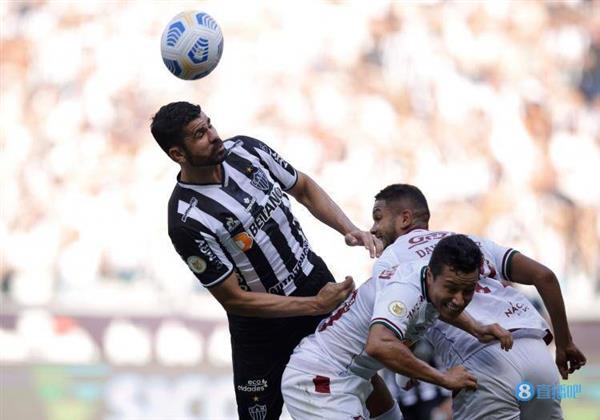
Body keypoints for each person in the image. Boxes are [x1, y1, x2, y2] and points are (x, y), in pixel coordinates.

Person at [149, 101, 385, 420]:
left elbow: (303, 187)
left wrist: (350, 229)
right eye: (200, 134)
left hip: (313, 280)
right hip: (261, 325)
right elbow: (234, 299)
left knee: (362, 380)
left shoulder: (247, 150)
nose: (214, 135)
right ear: (178, 153)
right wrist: (314, 305)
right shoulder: (186, 220)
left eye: (210, 124)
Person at [369, 183, 587, 420]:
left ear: (405, 218)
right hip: (537, 354)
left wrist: (404, 371)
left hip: (481, 362)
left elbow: (396, 327)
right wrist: (564, 343)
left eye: (378, 218)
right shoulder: (470, 242)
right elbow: (545, 277)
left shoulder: (390, 260)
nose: (373, 228)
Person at [281, 234, 513, 419]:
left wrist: (476, 328)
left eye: (468, 290)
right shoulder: (405, 291)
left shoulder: (430, 280)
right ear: (430, 276)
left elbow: (441, 306)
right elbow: (379, 345)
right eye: (452, 289)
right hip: (319, 377)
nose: (459, 300)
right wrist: (444, 378)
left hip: (356, 375)